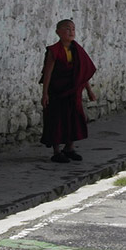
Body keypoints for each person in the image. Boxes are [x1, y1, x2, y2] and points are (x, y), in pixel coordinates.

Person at [40, 19, 97, 163]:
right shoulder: (54, 50)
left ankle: (69, 148)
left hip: (74, 91)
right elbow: (48, 73)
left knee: (75, 118)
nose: (71, 32)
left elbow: (82, 74)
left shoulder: (77, 50)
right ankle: (56, 151)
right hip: (57, 91)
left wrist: (89, 91)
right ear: (58, 32)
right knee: (57, 120)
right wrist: (45, 93)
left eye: (73, 29)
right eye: (67, 29)